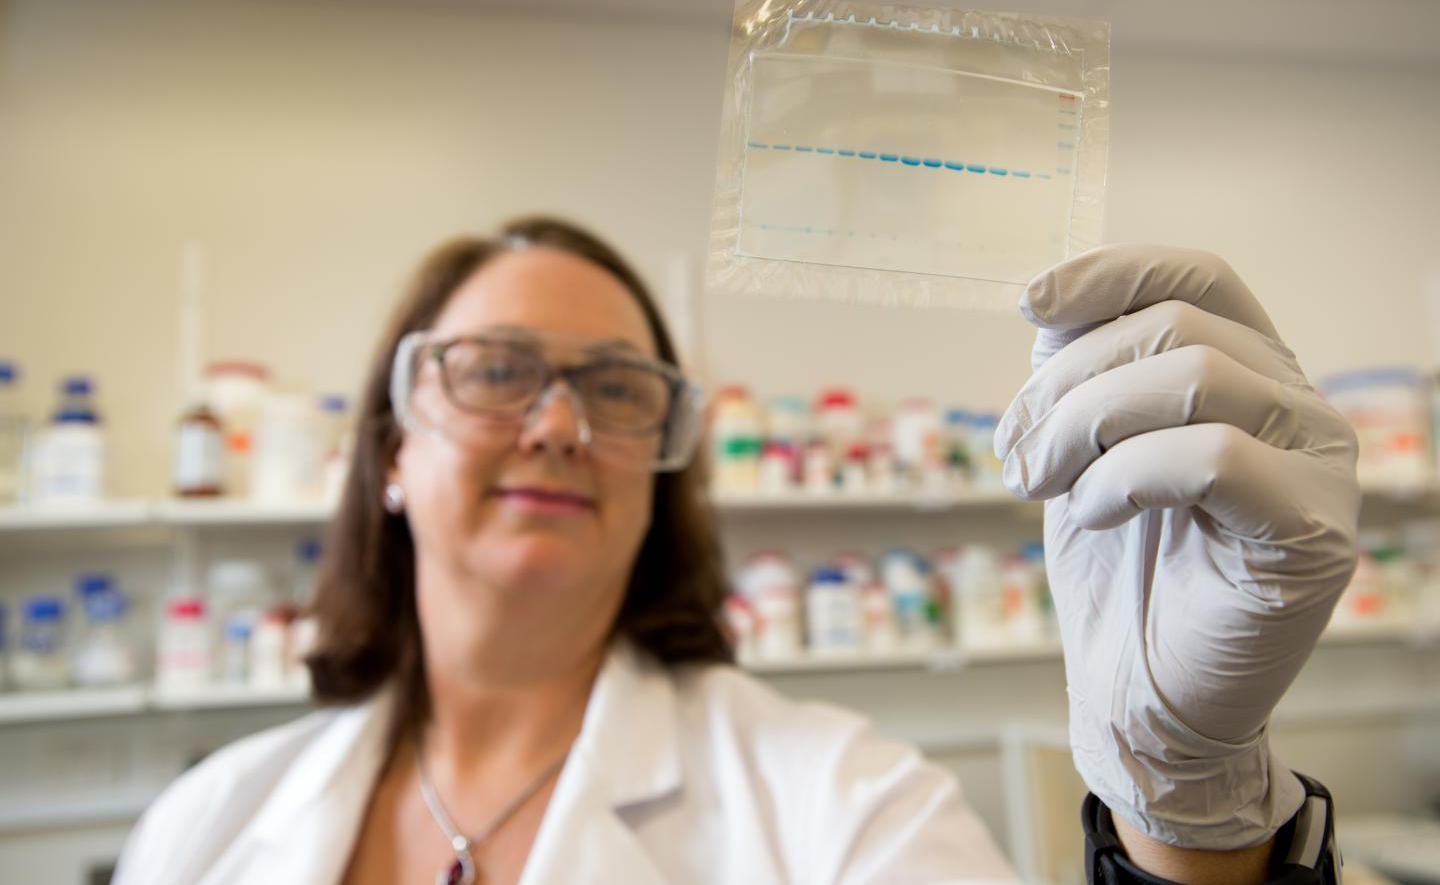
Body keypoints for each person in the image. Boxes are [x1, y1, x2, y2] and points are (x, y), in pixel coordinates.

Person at [113, 218, 1354, 885]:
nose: (557, 424)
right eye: (495, 371)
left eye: (616, 386)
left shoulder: (843, 805)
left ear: (666, 469)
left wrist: (1185, 816)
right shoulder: (204, 827)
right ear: (389, 451)